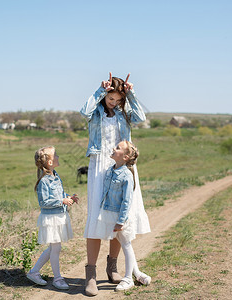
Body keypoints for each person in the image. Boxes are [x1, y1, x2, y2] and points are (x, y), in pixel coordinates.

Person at [80, 73, 151, 296]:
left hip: (124, 167)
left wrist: (131, 94)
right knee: (97, 217)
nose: (115, 103)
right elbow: (84, 110)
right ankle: (90, 275)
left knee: (121, 215)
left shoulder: (125, 112)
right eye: (112, 98)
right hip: (101, 165)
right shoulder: (96, 112)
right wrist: (100, 91)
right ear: (106, 95)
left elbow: (141, 117)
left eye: (119, 100)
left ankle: (112, 267)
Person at [94, 140, 151, 291]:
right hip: (110, 213)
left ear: (125, 157)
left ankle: (128, 279)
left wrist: (120, 221)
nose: (114, 148)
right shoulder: (110, 170)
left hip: (121, 216)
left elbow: (127, 201)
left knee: (126, 245)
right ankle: (137, 273)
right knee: (124, 243)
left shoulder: (126, 175)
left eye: (118, 148)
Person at [26, 146, 79, 290]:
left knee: (54, 248)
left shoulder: (55, 175)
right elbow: (44, 202)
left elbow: (58, 194)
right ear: (49, 162)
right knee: (55, 248)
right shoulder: (44, 181)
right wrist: (61, 201)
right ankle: (57, 279)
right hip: (51, 219)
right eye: (55, 155)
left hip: (59, 216)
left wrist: (68, 197)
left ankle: (34, 272)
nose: (58, 157)